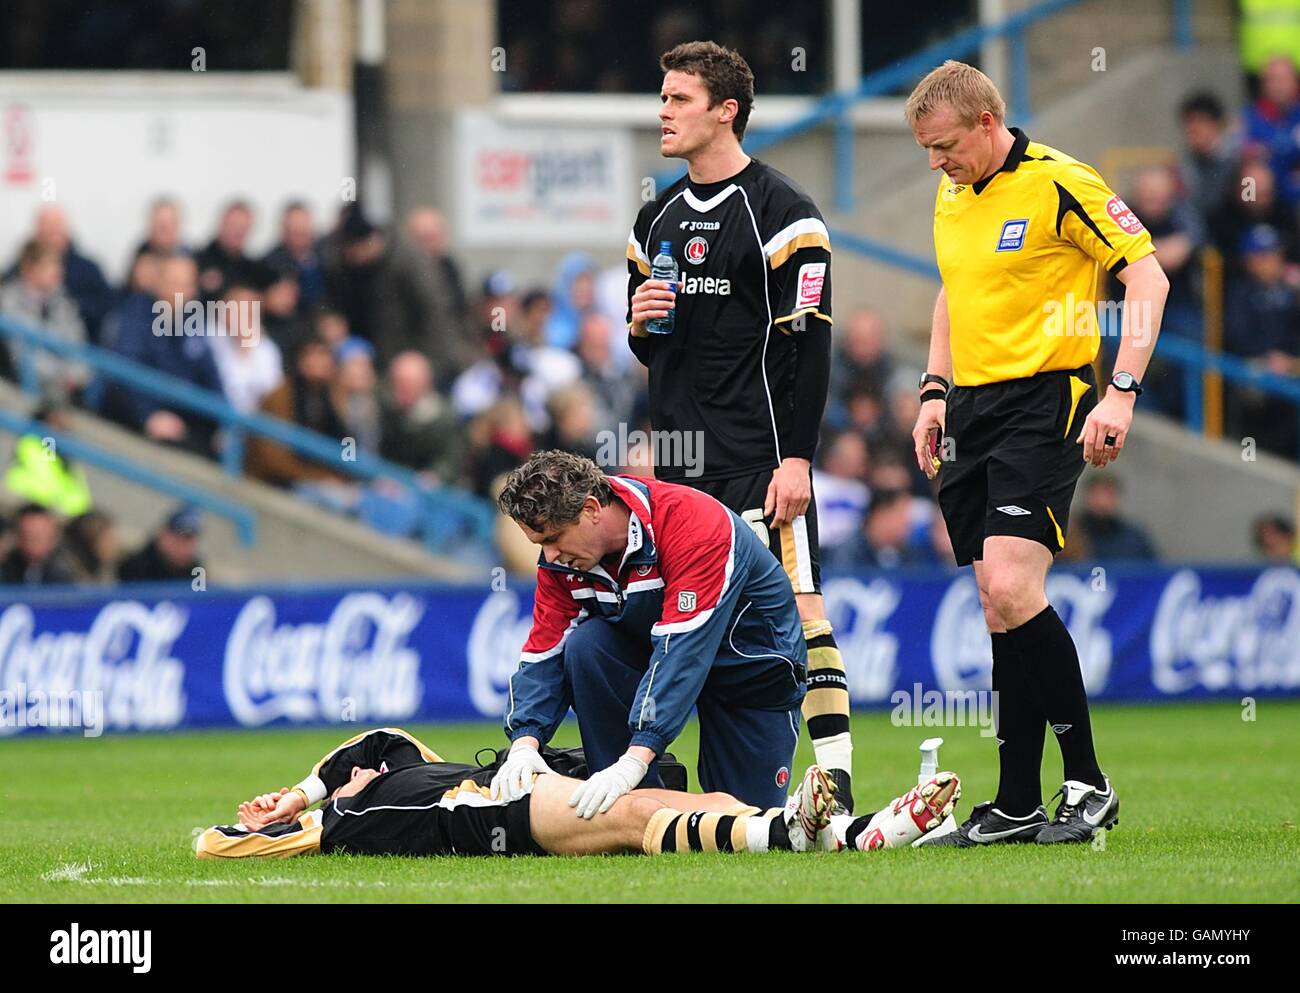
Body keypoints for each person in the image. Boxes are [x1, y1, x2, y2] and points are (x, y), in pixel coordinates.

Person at [907, 60, 1169, 845]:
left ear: (987, 123)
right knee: (997, 600)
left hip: (1046, 397)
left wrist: (1121, 389)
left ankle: (1087, 782)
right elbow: (956, 288)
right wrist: (932, 388)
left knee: (1015, 587)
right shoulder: (953, 190)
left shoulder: (1064, 182)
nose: (935, 163)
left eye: (945, 145)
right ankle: (1017, 797)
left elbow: (1147, 281)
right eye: (926, 149)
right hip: (971, 410)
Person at [626, 41, 856, 812]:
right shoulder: (652, 216)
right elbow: (650, 347)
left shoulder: (785, 215)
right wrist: (638, 324)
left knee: (801, 606)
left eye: (679, 98)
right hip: (681, 469)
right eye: (662, 97)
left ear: (726, 110)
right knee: (677, 617)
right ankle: (657, 779)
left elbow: (811, 345)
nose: (663, 111)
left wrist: (797, 459)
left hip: (759, 459)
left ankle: (838, 786)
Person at [494, 450, 808, 814]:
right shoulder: (563, 561)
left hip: (751, 670)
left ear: (592, 509)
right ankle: (628, 800)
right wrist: (524, 744)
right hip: (661, 654)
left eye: (555, 538)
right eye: (540, 544)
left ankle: (631, 775)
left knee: (748, 820)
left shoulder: (693, 525)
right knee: (586, 646)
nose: (549, 557)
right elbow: (544, 649)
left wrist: (636, 758)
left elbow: (683, 652)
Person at [194, 727, 962, 859]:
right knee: (630, 814)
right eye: (257, 812)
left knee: (704, 799)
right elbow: (211, 843)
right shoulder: (349, 821)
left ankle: (848, 832)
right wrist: (320, 809)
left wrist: (302, 787)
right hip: (476, 821)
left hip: (495, 787)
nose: (259, 809)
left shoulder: (375, 771)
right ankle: (793, 835)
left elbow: (372, 743)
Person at [1073, 476, 1157, 561]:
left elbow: (1154, 569)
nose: (1102, 501)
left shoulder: (1134, 537)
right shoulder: (1071, 534)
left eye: (1108, 495)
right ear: (1086, 496)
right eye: (1097, 494)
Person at [117, 506, 204, 583]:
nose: (185, 546)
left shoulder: (196, 570)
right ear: (163, 535)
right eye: (179, 538)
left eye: (191, 540)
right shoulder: (134, 567)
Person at [0, 503, 75, 585]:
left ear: (54, 537)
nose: (32, 543)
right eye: (27, 536)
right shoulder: (6, 568)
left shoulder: (69, 570)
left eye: (38, 537)